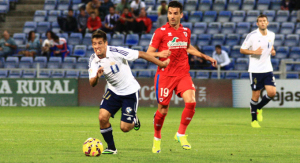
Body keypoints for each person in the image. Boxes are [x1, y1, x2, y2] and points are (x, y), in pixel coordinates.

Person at [146, 1, 217, 153]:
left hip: (182, 73)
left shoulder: (186, 31)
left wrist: (206, 57)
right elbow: (148, 53)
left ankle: (180, 134)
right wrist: (160, 54)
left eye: (175, 13)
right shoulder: (160, 32)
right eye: (170, 13)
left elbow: (188, 47)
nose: (172, 16)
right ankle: (157, 138)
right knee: (163, 111)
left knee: (191, 102)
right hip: (165, 75)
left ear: (181, 14)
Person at [88, 30, 170, 154]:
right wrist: (97, 77)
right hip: (113, 91)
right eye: (94, 44)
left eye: (100, 43)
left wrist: (162, 64)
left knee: (125, 128)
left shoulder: (117, 52)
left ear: (106, 43)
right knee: (102, 117)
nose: (97, 47)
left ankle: (134, 119)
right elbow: (92, 83)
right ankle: (111, 148)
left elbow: (142, 54)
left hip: (129, 92)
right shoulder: (93, 60)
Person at [240, 14, 276, 128]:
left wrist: (273, 51)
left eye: (264, 21)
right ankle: (254, 120)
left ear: (267, 22)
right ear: (257, 24)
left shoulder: (272, 34)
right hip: (255, 70)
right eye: (260, 21)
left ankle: (258, 108)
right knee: (256, 94)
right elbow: (242, 50)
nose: (262, 23)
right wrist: (254, 52)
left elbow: (271, 47)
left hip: (267, 69)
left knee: (272, 92)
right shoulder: (252, 36)